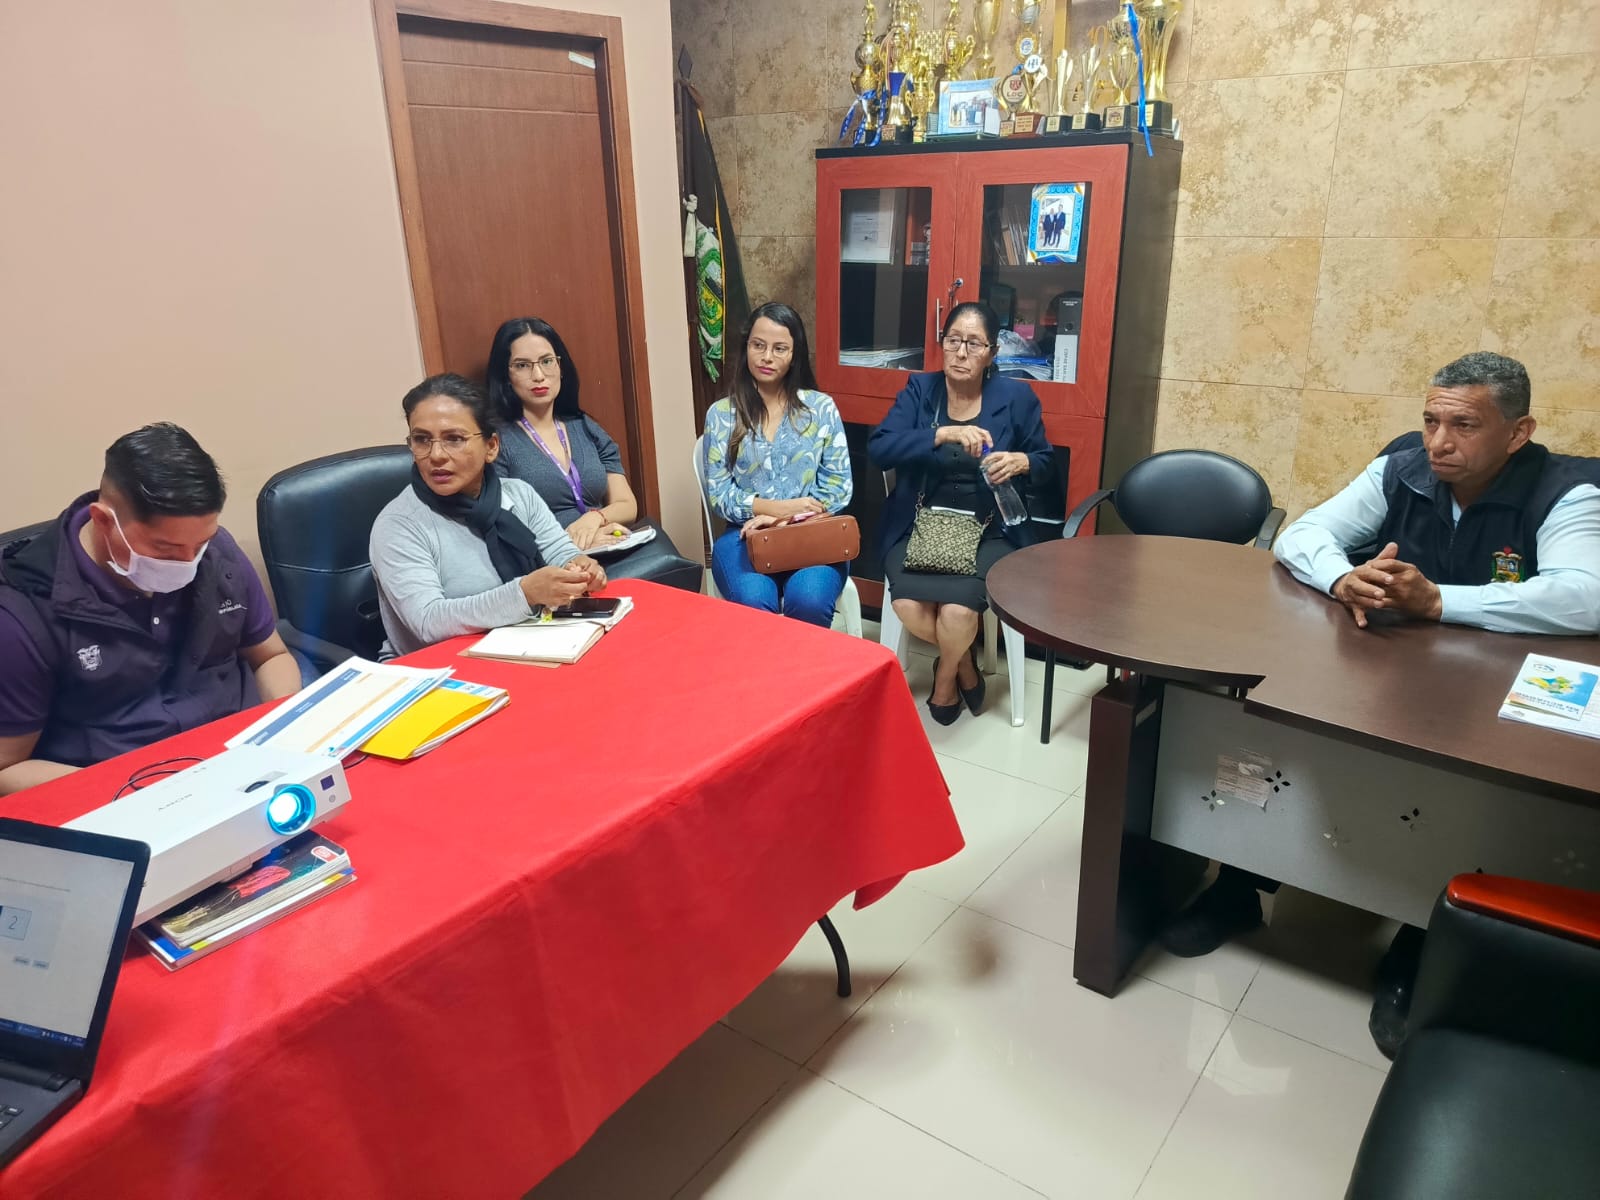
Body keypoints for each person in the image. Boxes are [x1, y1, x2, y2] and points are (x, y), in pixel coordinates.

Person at [1164, 351, 1600, 1058]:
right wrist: (1343, 580)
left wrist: (1440, 601)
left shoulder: (1566, 490)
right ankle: (1239, 884)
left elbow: (1586, 595)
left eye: (1464, 425)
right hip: (1379, 671)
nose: (1439, 442)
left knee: (1455, 806)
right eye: (1430, 421)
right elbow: (1305, 535)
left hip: (1481, 696)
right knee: (1278, 745)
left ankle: (1416, 945)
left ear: (1518, 433)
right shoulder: (1403, 467)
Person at [0, 423, 300, 795]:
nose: (189, 562)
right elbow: (8, 768)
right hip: (120, 794)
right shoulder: (23, 615)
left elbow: (271, 656)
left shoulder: (217, 553)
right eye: (166, 549)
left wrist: (281, 729)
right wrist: (139, 793)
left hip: (242, 764)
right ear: (103, 521)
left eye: (200, 544)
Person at [869, 301, 1051, 724]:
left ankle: (946, 680)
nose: (961, 353)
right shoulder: (920, 390)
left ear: (992, 353)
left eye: (974, 344)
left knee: (957, 612)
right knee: (907, 605)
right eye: (953, 341)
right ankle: (964, 662)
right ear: (942, 343)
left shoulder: (1017, 398)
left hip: (991, 531)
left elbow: (1047, 465)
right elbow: (880, 448)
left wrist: (1022, 462)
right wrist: (940, 434)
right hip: (919, 524)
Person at [369, 373, 607, 657]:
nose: (436, 455)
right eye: (422, 440)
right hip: (436, 667)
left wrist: (580, 568)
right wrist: (524, 593)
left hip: (527, 643)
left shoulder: (519, 495)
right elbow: (427, 622)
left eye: (454, 439)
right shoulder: (399, 524)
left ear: (491, 446)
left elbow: (559, 552)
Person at [486, 316, 699, 590]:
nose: (538, 375)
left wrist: (594, 520)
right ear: (506, 376)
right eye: (522, 365)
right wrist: (570, 542)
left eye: (546, 361)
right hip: (552, 563)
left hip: (607, 547)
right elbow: (506, 529)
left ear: (560, 367)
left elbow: (626, 504)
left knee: (673, 578)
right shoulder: (498, 443)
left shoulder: (585, 427)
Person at [701, 302, 853, 628]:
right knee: (753, 601)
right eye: (758, 345)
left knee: (809, 600)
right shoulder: (722, 414)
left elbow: (839, 487)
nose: (767, 357)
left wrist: (785, 518)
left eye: (779, 348)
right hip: (744, 535)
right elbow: (719, 494)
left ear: (794, 355)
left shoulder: (820, 409)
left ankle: (809, 666)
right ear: (746, 348)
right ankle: (765, 666)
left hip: (813, 533)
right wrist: (774, 509)